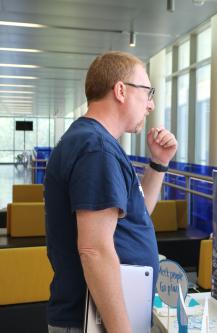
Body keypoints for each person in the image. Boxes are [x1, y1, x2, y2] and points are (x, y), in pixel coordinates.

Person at [44, 51, 177, 333]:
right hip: (92, 320)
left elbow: (135, 216)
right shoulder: (97, 149)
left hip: (98, 317)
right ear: (120, 90)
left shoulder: (93, 142)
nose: (151, 105)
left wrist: (158, 164)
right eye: (147, 92)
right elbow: (94, 250)